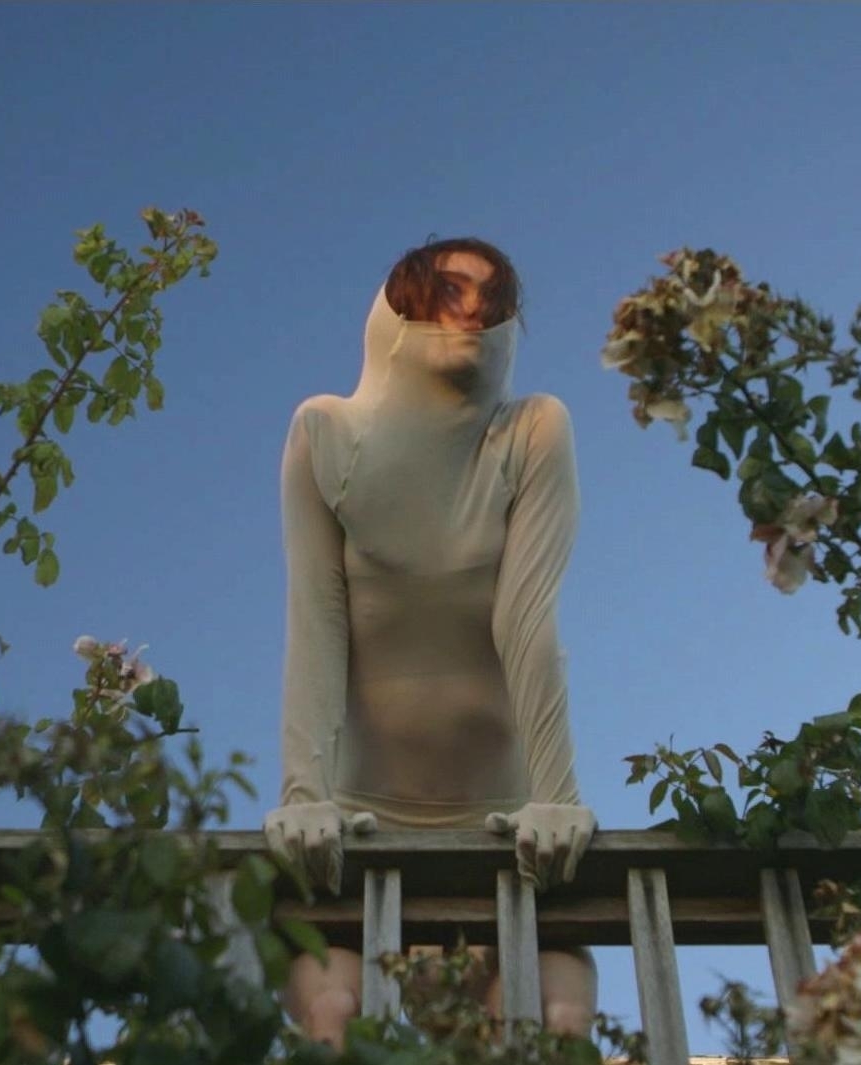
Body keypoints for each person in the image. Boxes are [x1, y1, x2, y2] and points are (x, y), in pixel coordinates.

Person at [263, 237, 597, 1047]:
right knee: (333, 1019)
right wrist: (304, 798)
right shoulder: (324, 433)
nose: (474, 309)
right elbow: (316, 625)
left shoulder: (533, 430)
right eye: (450, 288)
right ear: (404, 299)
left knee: (550, 1024)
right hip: (357, 836)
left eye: (493, 296)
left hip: (509, 833)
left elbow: (526, 618)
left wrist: (557, 797)